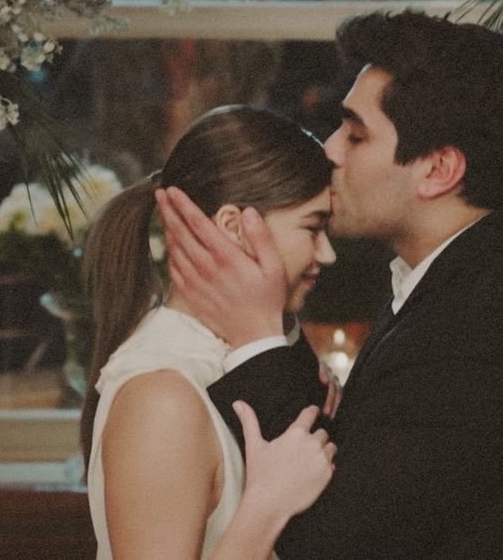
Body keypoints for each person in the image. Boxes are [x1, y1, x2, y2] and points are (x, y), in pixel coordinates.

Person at [156, 11, 503, 558]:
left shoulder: (491, 320)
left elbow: (333, 542)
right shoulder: (462, 282)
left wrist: (256, 331)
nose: (329, 151)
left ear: (438, 170)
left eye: (356, 135)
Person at [80, 104, 339, 559]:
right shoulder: (161, 399)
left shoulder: (255, 357)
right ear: (236, 228)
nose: (327, 253)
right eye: (313, 228)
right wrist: (268, 506)